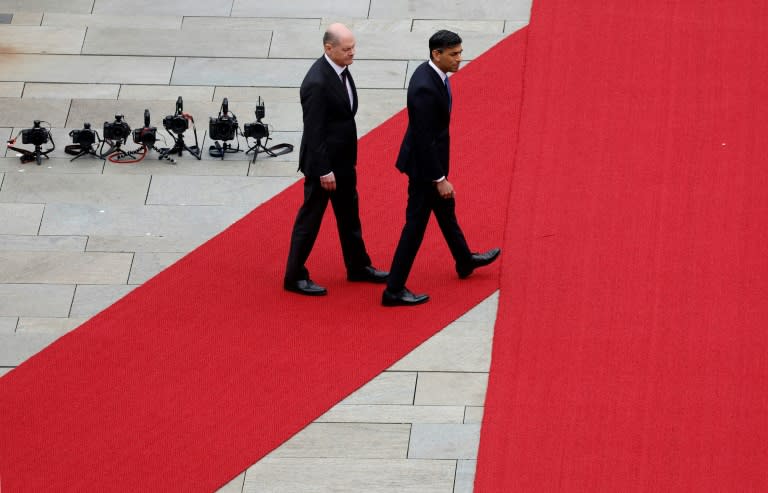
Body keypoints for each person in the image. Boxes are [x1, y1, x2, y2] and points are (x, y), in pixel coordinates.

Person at [382, 30, 501, 307]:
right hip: (425, 169)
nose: (460, 59)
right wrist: (439, 178)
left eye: (460, 52)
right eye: (454, 54)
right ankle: (393, 290)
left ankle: (464, 260)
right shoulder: (425, 87)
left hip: (430, 163)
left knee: (446, 213)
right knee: (415, 227)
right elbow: (423, 138)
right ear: (437, 54)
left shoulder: (435, 75)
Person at [284, 23, 388, 296]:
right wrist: (324, 170)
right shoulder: (317, 82)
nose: (353, 53)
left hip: (343, 161)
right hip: (325, 167)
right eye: (347, 49)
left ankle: (358, 266)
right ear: (328, 48)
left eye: (353, 47)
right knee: (310, 220)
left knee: (349, 216)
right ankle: (294, 276)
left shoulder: (340, 70)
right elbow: (314, 130)